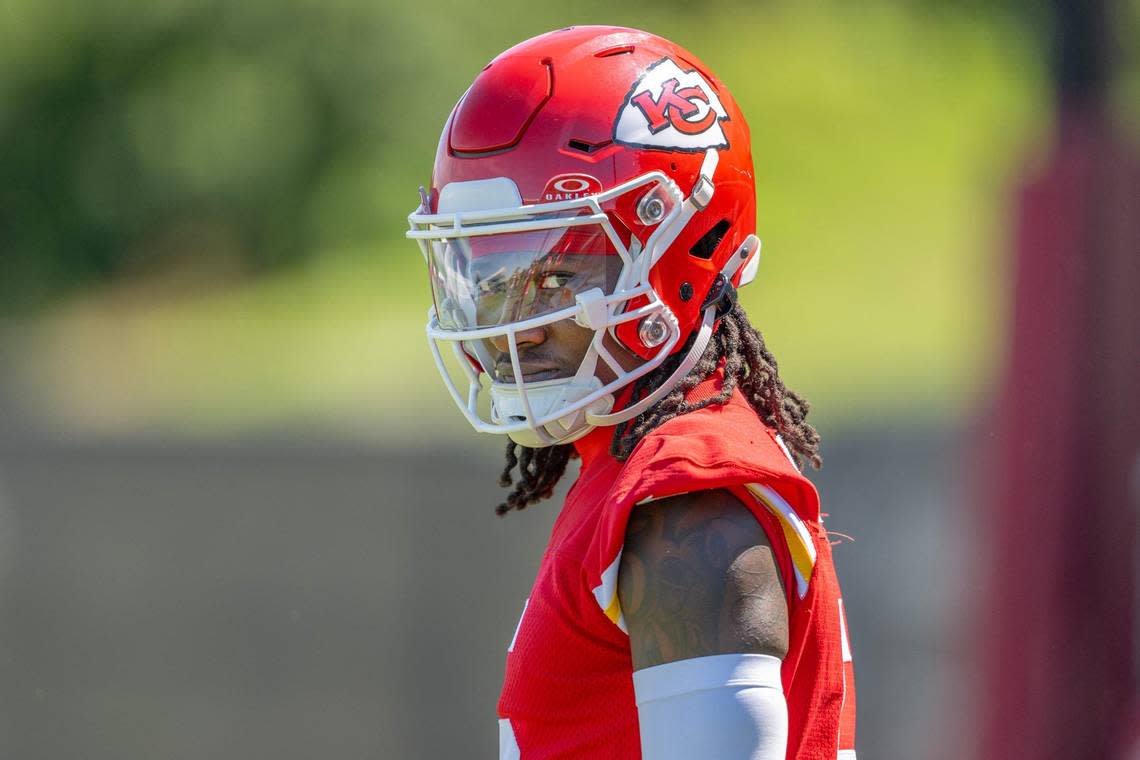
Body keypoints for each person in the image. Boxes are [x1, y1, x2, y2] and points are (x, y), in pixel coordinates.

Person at [407, 26, 857, 760]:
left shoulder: (688, 498)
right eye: (487, 280)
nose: (512, 330)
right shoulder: (637, 466)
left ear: (682, 248)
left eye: (555, 276)